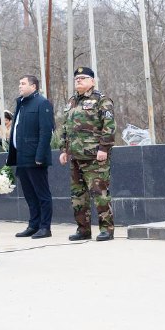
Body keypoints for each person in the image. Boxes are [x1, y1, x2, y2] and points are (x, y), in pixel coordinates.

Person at [59, 66, 116, 241]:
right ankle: (83, 230)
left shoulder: (102, 100)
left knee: (99, 193)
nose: (79, 80)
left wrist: (103, 148)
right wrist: (64, 150)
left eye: (83, 78)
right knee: (78, 195)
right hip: (75, 156)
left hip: (94, 156)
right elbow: (65, 127)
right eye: (77, 78)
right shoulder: (71, 102)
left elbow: (109, 126)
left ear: (92, 81)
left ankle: (106, 229)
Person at [7, 75, 55, 239]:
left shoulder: (42, 103)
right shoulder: (21, 103)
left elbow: (46, 131)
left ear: (33, 86)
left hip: (35, 157)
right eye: (19, 83)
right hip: (21, 156)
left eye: (23, 83)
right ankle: (33, 225)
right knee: (29, 194)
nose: (19, 86)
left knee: (42, 194)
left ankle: (45, 227)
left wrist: (40, 155)